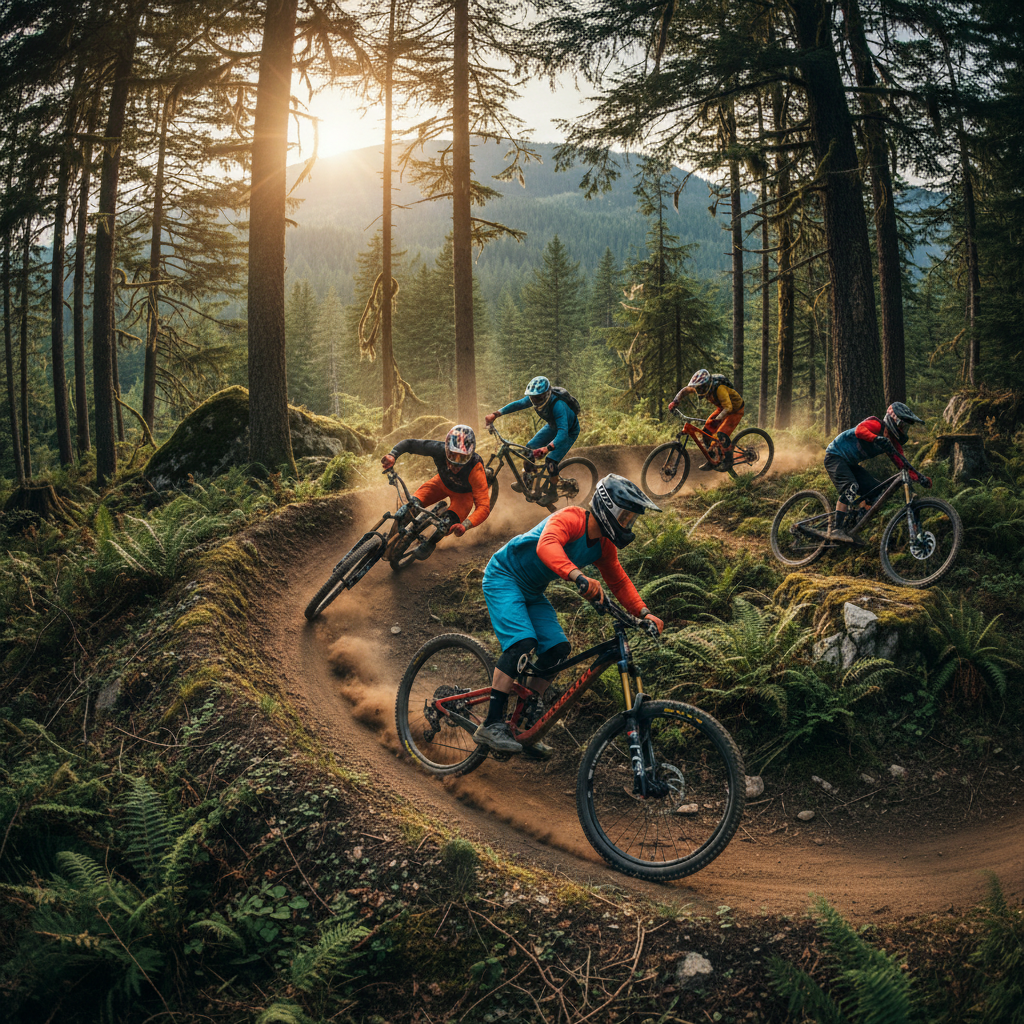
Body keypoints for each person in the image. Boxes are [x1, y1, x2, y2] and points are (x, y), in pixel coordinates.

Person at [475, 474, 665, 758]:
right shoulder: (571, 519)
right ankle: (490, 723)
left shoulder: (604, 546)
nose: (627, 524)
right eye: (624, 517)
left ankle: (526, 725)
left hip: (532, 590)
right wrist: (579, 577)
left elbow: (620, 582)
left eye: (630, 519)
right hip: (504, 576)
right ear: (607, 508)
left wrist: (644, 612)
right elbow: (546, 546)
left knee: (557, 648)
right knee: (522, 643)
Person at [824, 402, 931, 542]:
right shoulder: (877, 425)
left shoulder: (892, 442)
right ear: (894, 421)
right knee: (851, 487)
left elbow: (903, 464)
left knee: (877, 492)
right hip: (835, 456)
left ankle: (853, 526)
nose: (904, 430)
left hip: (850, 463)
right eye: (902, 425)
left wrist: (920, 478)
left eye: (906, 427)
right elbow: (859, 431)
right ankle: (836, 529)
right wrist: (876, 438)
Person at [380, 424, 490, 557]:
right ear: (446, 449)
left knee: (445, 527)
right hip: (440, 484)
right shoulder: (438, 449)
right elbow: (409, 444)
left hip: (463, 497)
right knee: (408, 510)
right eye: (453, 455)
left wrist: (465, 525)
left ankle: (430, 543)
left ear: (470, 454)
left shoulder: (476, 468)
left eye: (462, 458)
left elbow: (483, 506)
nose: (455, 463)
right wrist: (393, 455)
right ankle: (389, 541)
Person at [484, 376, 580, 497]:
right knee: (529, 448)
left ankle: (553, 492)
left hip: (569, 432)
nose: (535, 400)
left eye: (538, 397)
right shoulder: (535, 399)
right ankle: (527, 483)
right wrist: (495, 414)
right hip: (553, 426)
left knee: (550, 461)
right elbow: (517, 404)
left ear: (546, 394)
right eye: (533, 397)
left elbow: (563, 433)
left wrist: (547, 448)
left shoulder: (558, 405)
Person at [668, 369, 745, 470]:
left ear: (706, 385)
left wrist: (718, 420)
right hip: (722, 408)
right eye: (698, 388)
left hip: (735, 410)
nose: (698, 391)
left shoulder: (720, 389)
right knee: (706, 432)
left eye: (700, 389)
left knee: (722, 434)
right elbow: (686, 390)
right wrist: (675, 401)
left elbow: (728, 408)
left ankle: (728, 461)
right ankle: (712, 460)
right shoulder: (702, 386)